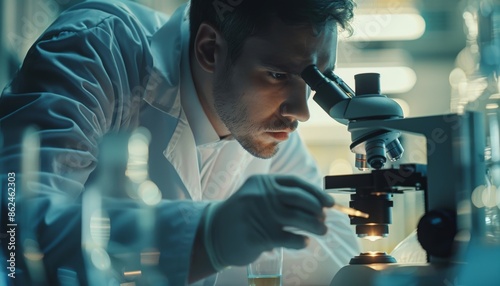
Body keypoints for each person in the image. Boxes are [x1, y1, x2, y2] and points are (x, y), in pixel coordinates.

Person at [0, 0, 359, 285]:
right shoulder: (96, 50)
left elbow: (337, 257)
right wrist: (206, 234)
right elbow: (15, 231)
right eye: (278, 74)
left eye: (318, 79)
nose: (302, 111)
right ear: (209, 48)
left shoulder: (270, 134)